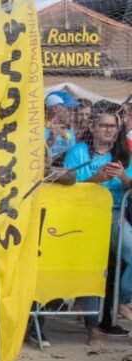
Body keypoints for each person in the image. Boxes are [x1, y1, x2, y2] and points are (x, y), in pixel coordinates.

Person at [60, 110, 132, 346]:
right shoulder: (78, 151)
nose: (109, 130)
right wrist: (96, 180)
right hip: (85, 216)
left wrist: (123, 177)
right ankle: (93, 322)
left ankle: (121, 300)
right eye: (103, 125)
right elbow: (70, 184)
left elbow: (131, 185)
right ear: (93, 128)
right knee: (91, 268)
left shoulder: (124, 154)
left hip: (115, 214)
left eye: (113, 126)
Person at [45, 93, 77, 163]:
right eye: (68, 108)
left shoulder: (70, 133)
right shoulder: (39, 132)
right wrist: (50, 140)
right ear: (55, 108)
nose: (72, 113)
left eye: (74, 109)